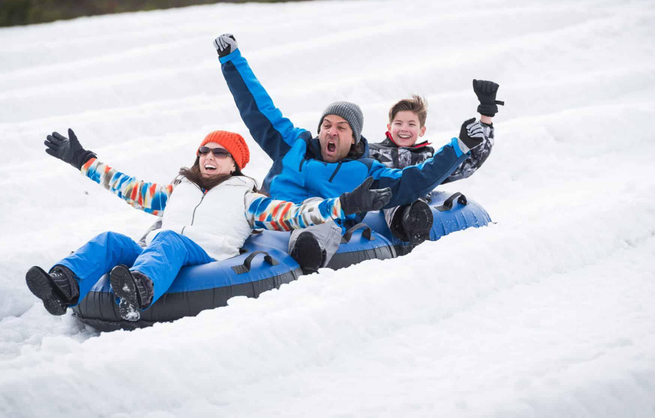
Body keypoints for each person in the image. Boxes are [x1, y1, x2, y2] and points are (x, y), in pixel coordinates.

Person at [26, 129, 391, 322]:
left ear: (234, 164)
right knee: (110, 240)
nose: (209, 157)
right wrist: (81, 159)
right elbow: (125, 185)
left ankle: (139, 292)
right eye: (204, 151)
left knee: (169, 239)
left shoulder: (247, 197)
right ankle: (63, 287)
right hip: (160, 249)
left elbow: (294, 214)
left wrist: (345, 204)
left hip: (203, 254)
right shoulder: (176, 190)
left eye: (219, 153)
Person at [213, 33, 490, 273]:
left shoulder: (366, 172)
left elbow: (416, 179)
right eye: (327, 125)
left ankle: (307, 252)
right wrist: (231, 60)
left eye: (341, 128)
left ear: (354, 138)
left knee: (321, 219)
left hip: (312, 223)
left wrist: (459, 146)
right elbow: (258, 109)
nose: (331, 132)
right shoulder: (291, 145)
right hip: (267, 217)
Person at [368, 85, 500, 250]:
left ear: (421, 130)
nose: (404, 129)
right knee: (394, 193)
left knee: (412, 198)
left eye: (411, 124)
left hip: (417, 204)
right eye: (398, 123)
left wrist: (486, 116)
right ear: (389, 127)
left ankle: (415, 222)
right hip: (382, 201)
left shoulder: (426, 159)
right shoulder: (374, 152)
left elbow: (468, 165)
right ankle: (406, 219)